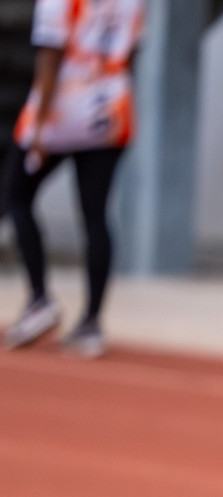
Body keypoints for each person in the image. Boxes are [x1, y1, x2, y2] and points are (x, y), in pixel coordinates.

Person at [3, 0, 144, 360]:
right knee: (95, 214)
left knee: (16, 195)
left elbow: (51, 54)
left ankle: (39, 299)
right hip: (111, 109)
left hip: (64, 109)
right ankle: (91, 322)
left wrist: (39, 124)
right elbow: (131, 52)